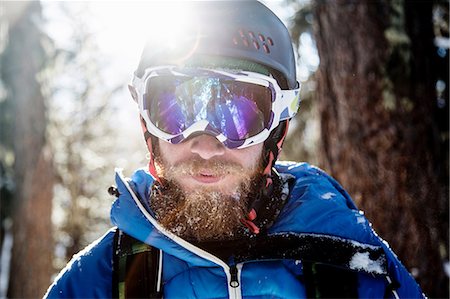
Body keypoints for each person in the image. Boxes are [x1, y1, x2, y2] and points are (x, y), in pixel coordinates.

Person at [45, 1, 424, 298]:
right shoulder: (96, 283)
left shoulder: (357, 268)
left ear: (278, 129)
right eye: (177, 113)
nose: (206, 146)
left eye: (238, 116)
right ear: (147, 124)